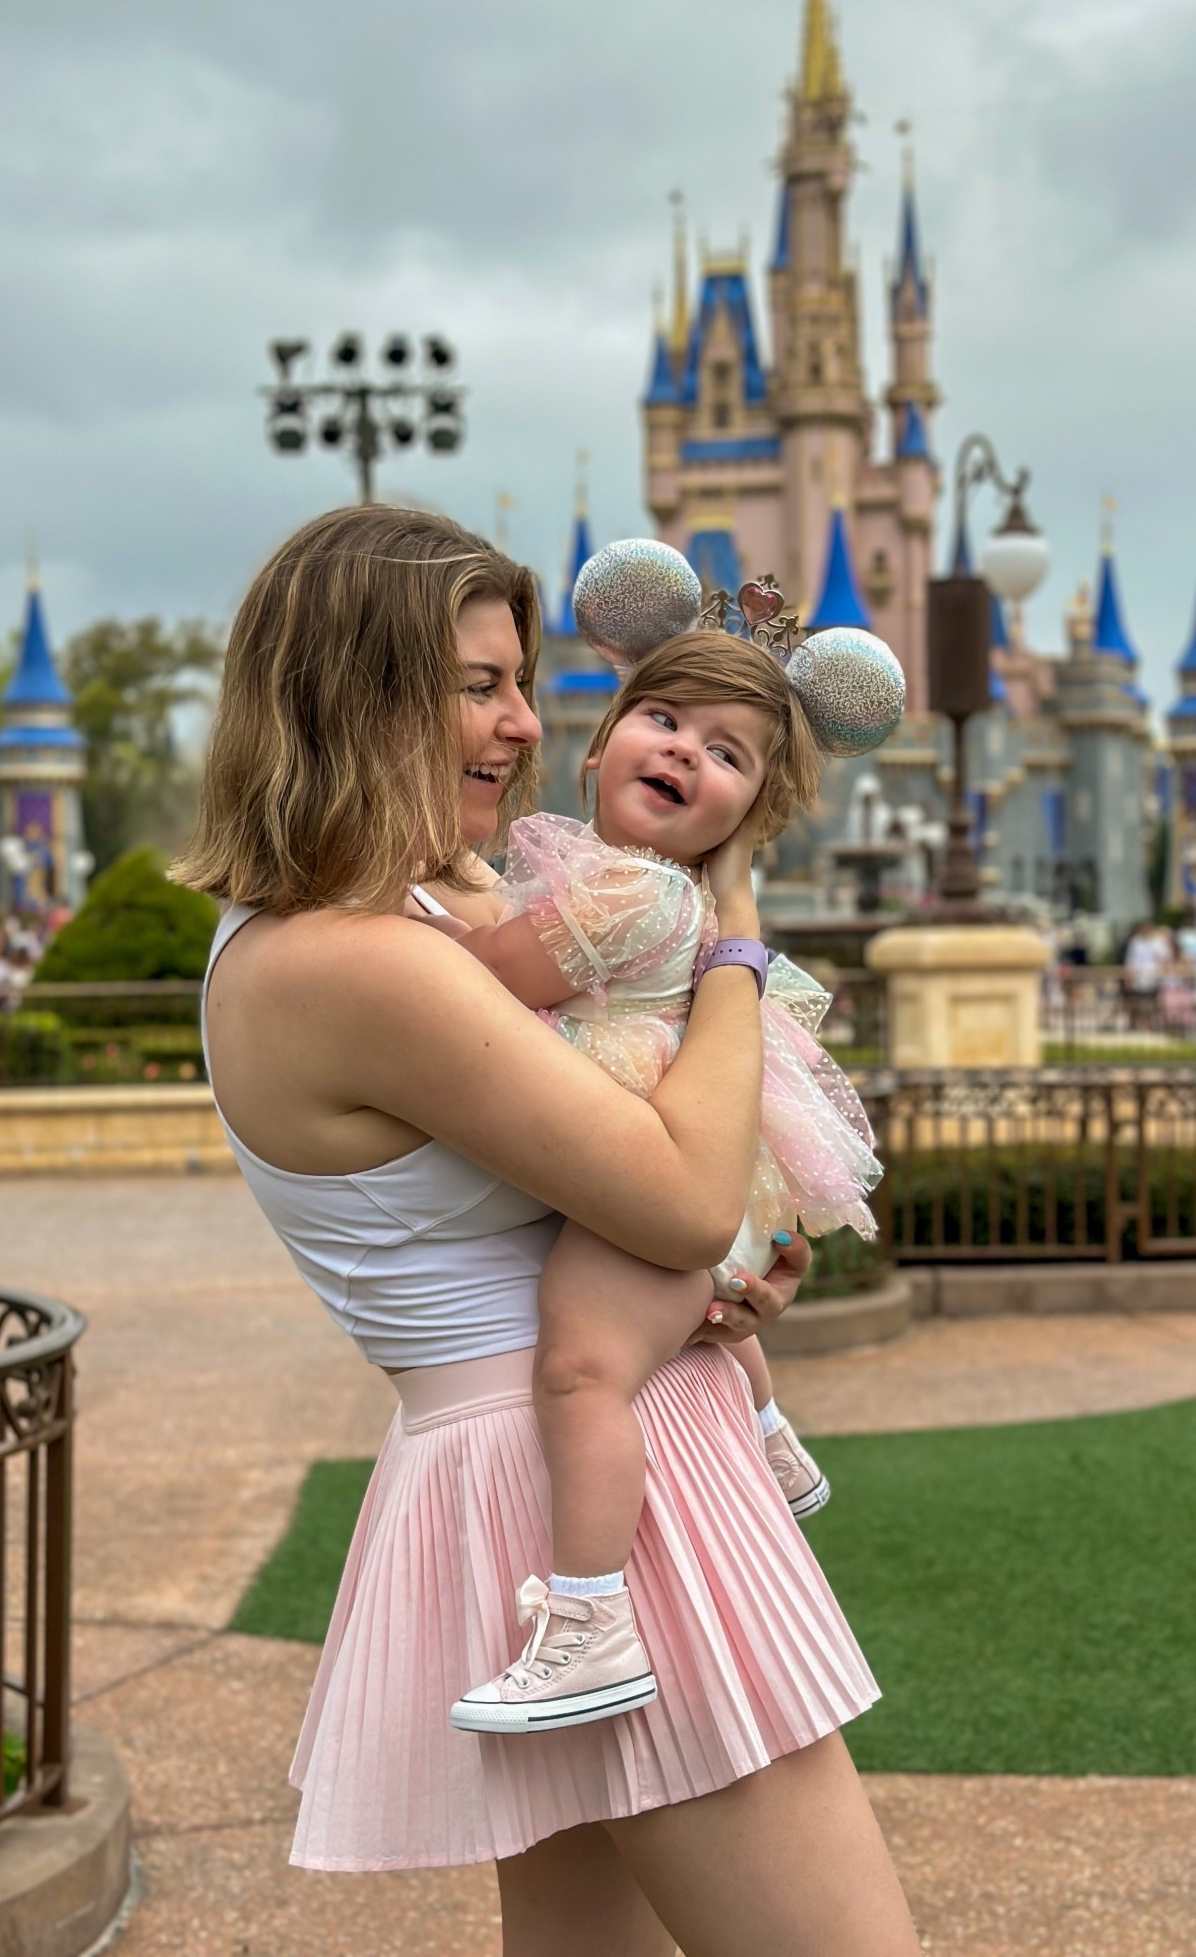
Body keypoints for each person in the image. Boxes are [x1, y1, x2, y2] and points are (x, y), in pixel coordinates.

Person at [174, 506, 920, 1957]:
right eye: (477, 684)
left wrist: (711, 1276)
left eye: (521, 682)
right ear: (348, 686)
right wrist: (736, 935)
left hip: (559, 1453)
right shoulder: (354, 964)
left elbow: (659, 1202)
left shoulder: (385, 918)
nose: (522, 722)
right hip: (594, 1494)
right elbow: (686, 1191)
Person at [430, 612, 890, 1735]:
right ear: (600, 745)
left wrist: (414, 919)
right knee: (670, 1321)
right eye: (665, 718)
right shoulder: (640, 884)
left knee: (582, 1366)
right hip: (705, 1173)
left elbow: (491, 976)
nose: (685, 749)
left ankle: (591, 1620)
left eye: (727, 752)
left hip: (662, 1173)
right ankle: (771, 1441)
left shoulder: (634, 892)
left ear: (751, 816)